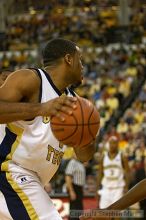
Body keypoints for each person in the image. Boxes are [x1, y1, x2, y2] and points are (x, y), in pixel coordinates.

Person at [0, 38, 95, 220]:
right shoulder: (30, 79)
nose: (83, 66)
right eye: (80, 59)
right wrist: (41, 109)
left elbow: (85, 156)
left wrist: (87, 135)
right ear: (69, 59)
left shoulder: (75, 103)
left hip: (31, 182)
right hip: (10, 172)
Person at [96, 136, 130, 209]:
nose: (112, 145)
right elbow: (99, 174)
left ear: (117, 144)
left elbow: (127, 172)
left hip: (118, 188)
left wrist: (126, 187)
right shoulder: (103, 157)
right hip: (106, 188)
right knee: (103, 212)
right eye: (110, 143)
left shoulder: (122, 156)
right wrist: (97, 189)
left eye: (114, 143)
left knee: (116, 213)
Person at [65, 153, 86, 220]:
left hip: (79, 188)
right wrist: (71, 191)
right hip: (74, 187)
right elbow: (68, 177)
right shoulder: (72, 162)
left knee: (79, 210)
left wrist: (82, 189)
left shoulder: (80, 164)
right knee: (74, 210)